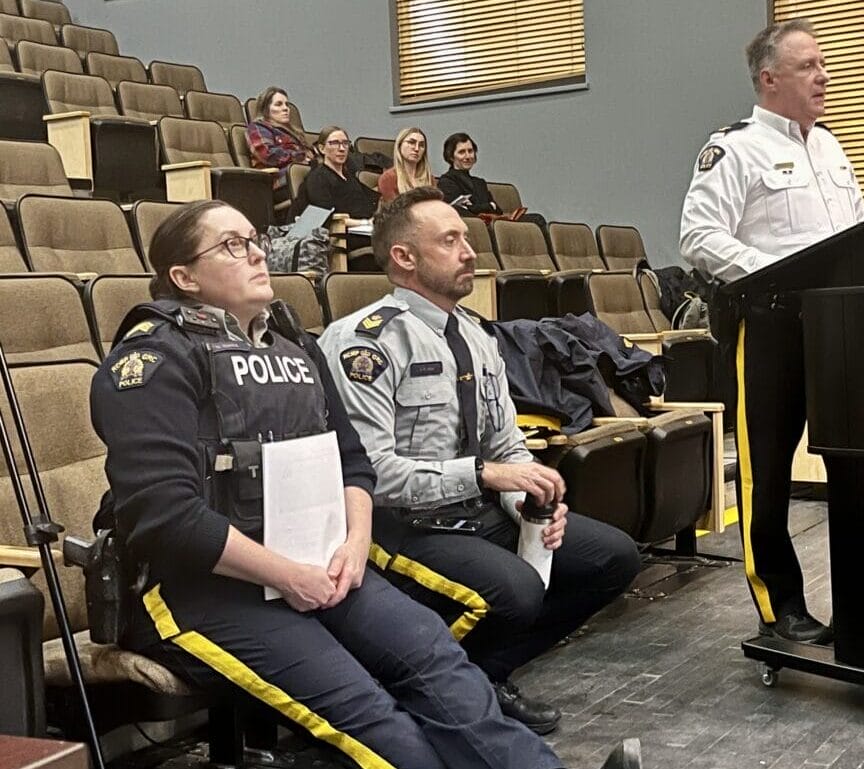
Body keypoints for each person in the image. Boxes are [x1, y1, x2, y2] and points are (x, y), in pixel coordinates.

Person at [90, 199, 642, 769]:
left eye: (254, 238)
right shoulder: (152, 361)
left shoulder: (295, 347)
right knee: (372, 716)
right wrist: (293, 577)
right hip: (205, 590)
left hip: (322, 563)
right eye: (231, 245)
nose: (256, 252)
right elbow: (167, 518)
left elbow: (352, 463)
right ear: (183, 277)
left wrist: (354, 548)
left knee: (435, 659)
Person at [318, 187, 641, 736]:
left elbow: (505, 443)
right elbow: (371, 473)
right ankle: (417, 685)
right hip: (399, 526)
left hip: (477, 510)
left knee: (613, 558)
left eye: (466, 237)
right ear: (404, 258)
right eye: (450, 240)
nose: (470, 250)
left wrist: (528, 502)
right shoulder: (362, 344)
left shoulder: (475, 333)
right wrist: (487, 475)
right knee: (515, 589)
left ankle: (480, 679)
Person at [678, 19, 864, 645]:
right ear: (769, 79)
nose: (823, 75)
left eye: (822, 64)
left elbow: (863, 233)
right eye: (808, 66)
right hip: (770, 327)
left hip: (841, 326)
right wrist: (779, 270)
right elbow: (699, 237)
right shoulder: (734, 150)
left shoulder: (832, 148)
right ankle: (780, 605)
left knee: (858, 464)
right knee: (768, 474)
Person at [246, 86, 313, 219]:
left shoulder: (294, 133)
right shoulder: (257, 128)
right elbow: (267, 154)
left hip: (299, 176)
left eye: (287, 105)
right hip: (277, 182)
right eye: (278, 104)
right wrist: (300, 157)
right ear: (266, 109)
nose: (285, 108)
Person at [293, 125, 379, 220]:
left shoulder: (348, 177)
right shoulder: (317, 178)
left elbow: (372, 199)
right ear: (322, 148)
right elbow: (326, 218)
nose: (342, 148)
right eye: (334, 143)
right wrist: (365, 223)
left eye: (345, 143)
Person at [437, 132, 501, 216]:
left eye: (470, 151)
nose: (468, 156)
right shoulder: (446, 181)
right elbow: (460, 211)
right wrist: (490, 206)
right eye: (462, 152)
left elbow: (498, 211)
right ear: (451, 157)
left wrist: (473, 207)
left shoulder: (480, 183)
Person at [377, 127, 437, 204]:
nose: (416, 148)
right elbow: (391, 212)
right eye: (411, 142)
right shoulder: (388, 178)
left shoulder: (430, 179)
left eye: (421, 145)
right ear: (399, 146)